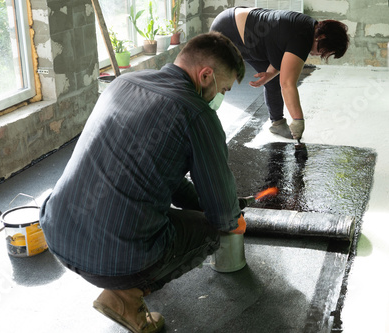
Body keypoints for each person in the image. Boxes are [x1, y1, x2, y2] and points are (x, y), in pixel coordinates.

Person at [39, 32, 247, 333]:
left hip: (57, 232)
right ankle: (125, 294)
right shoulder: (197, 114)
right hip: (110, 258)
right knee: (212, 231)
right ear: (205, 75)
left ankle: (124, 279)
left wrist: (203, 205)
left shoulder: (124, 83)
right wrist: (231, 219)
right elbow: (220, 211)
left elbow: (160, 172)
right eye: (223, 89)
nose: (221, 97)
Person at [210, 7, 349, 140]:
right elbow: (287, 83)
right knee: (219, 81)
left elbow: (281, 52)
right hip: (229, 29)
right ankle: (205, 118)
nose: (319, 54)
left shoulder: (308, 28)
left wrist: (269, 74)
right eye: (322, 51)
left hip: (249, 35)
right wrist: (298, 119)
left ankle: (278, 124)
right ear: (321, 37)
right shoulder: (303, 37)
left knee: (273, 81)